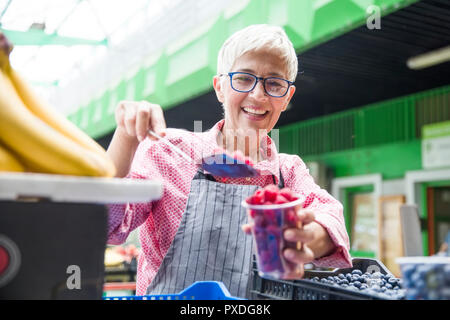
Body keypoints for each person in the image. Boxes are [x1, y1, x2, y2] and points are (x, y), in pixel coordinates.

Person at [106, 24, 352, 298]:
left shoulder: (288, 172)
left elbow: (331, 216)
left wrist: (307, 239)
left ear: (286, 98)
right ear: (220, 87)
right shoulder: (168, 151)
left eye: (274, 83)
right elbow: (104, 226)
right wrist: (125, 140)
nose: (258, 95)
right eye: (244, 78)